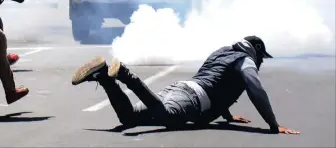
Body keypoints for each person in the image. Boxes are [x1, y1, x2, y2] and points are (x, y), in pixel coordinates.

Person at [71, 36, 300, 135]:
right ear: (256, 51)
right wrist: (273, 125)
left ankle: (103, 77)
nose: (260, 63)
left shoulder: (222, 52)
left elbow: (217, 83)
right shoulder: (246, 61)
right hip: (190, 99)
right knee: (169, 117)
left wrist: (228, 116)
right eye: (262, 57)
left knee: (128, 118)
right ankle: (125, 74)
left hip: (180, 89)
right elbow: (255, 90)